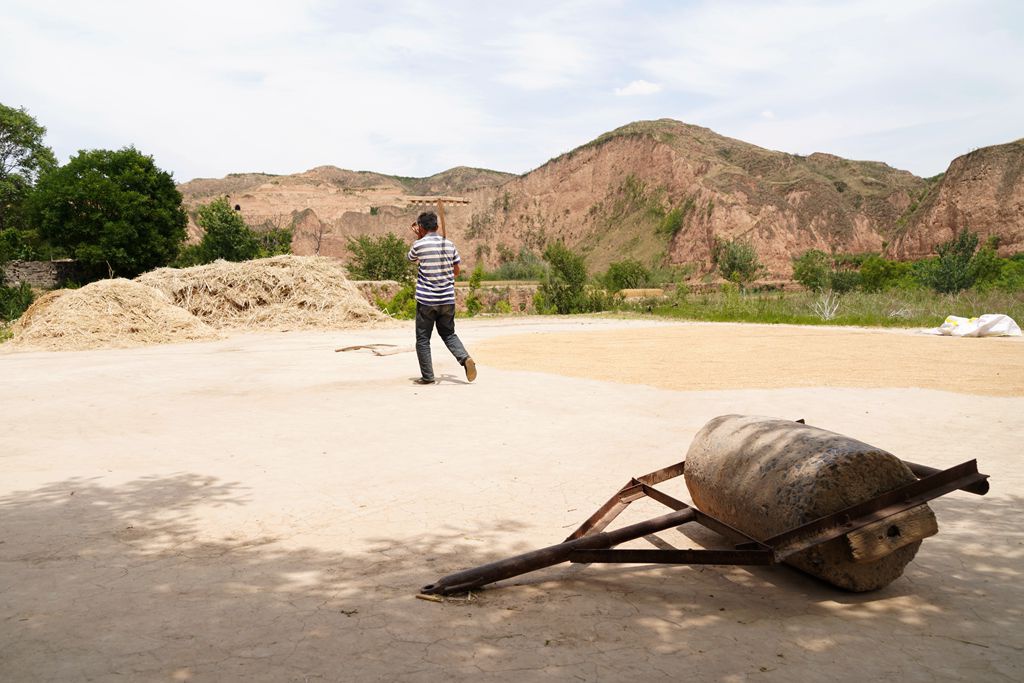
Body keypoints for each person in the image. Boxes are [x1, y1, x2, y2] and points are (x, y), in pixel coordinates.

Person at [406, 211, 477, 385]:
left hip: (426, 301)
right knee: (449, 333)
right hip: (447, 300)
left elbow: (411, 259)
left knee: (423, 339)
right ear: (437, 227)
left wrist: (419, 238)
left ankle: (428, 377)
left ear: (420, 227)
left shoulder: (419, 245)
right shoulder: (450, 245)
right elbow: (456, 271)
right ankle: (464, 357)